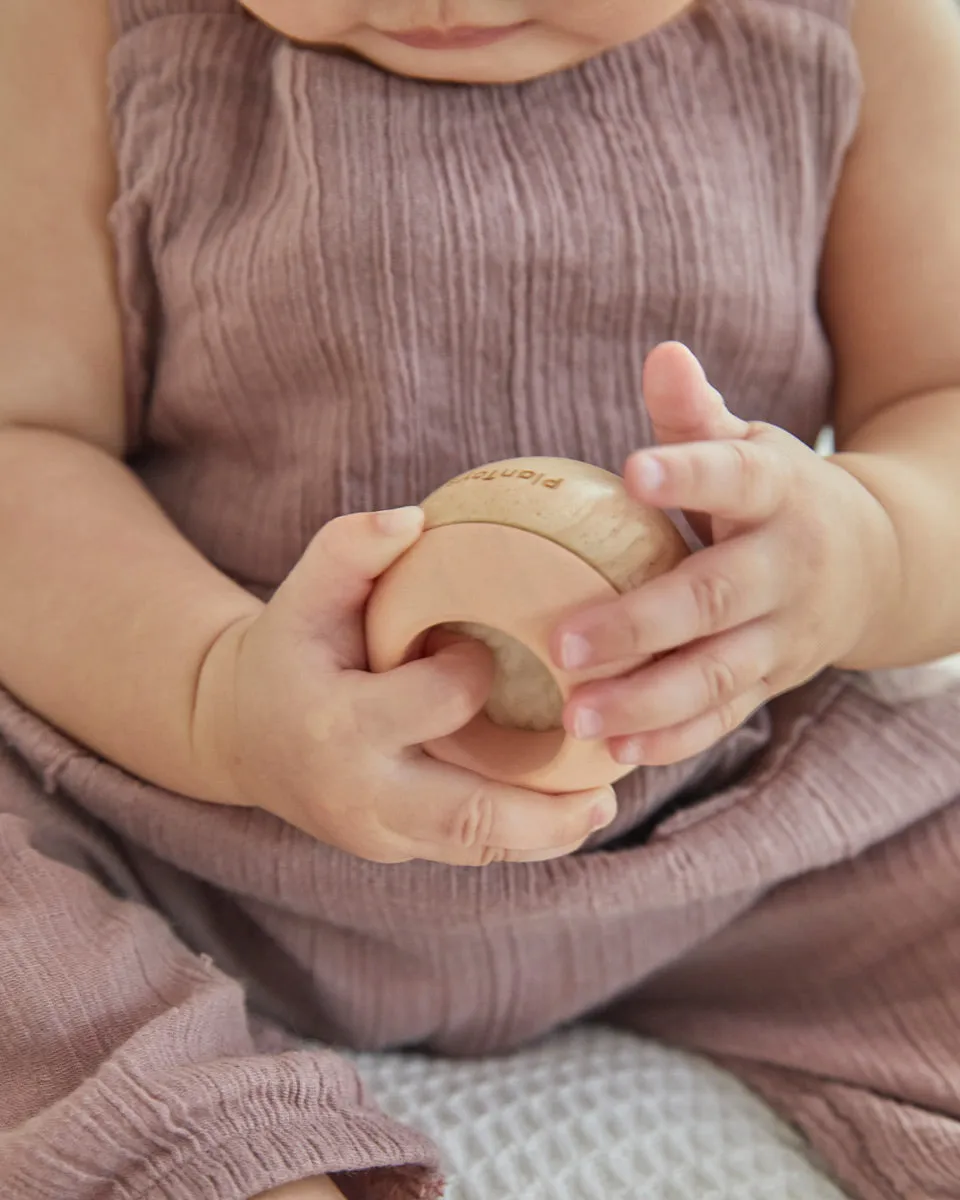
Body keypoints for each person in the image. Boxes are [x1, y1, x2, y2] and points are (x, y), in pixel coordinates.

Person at [2, 1, 960, 1197]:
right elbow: (26, 441)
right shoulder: (74, 25)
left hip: (741, 831)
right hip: (193, 827)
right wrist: (213, 696)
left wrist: (864, 554)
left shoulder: (866, 24)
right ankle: (210, 1158)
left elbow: (943, 400)